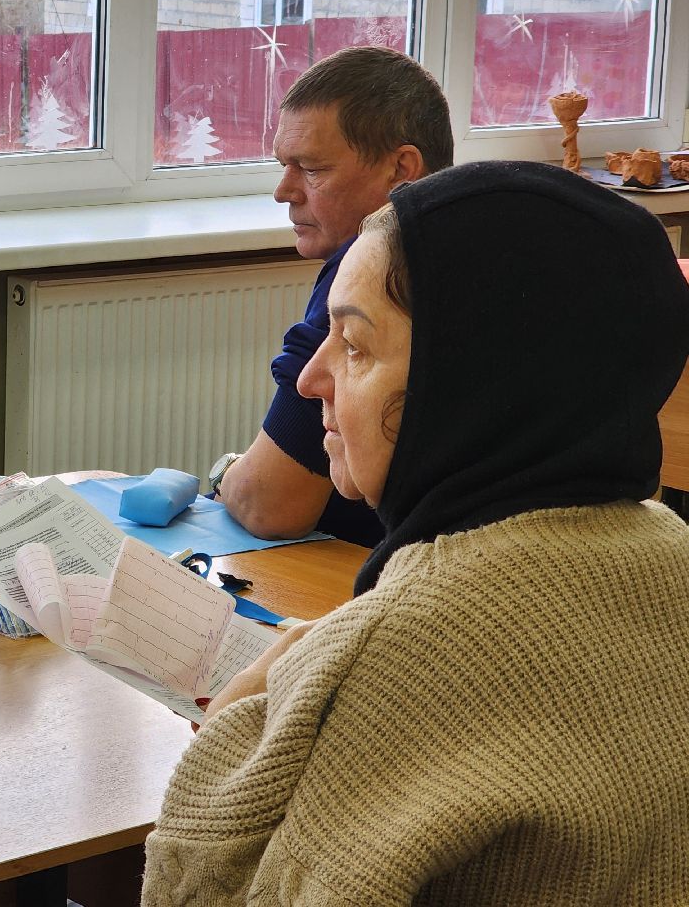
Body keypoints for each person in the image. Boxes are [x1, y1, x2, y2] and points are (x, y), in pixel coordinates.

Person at [142, 161, 689, 904]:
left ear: (470, 383)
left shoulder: (407, 650)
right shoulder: (668, 551)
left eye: (357, 347)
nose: (311, 381)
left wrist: (241, 717)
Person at [211, 46, 453, 547]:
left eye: (312, 169)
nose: (284, 191)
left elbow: (270, 506)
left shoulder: (370, 269)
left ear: (402, 168)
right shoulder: (476, 246)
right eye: (284, 166)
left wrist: (224, 474)